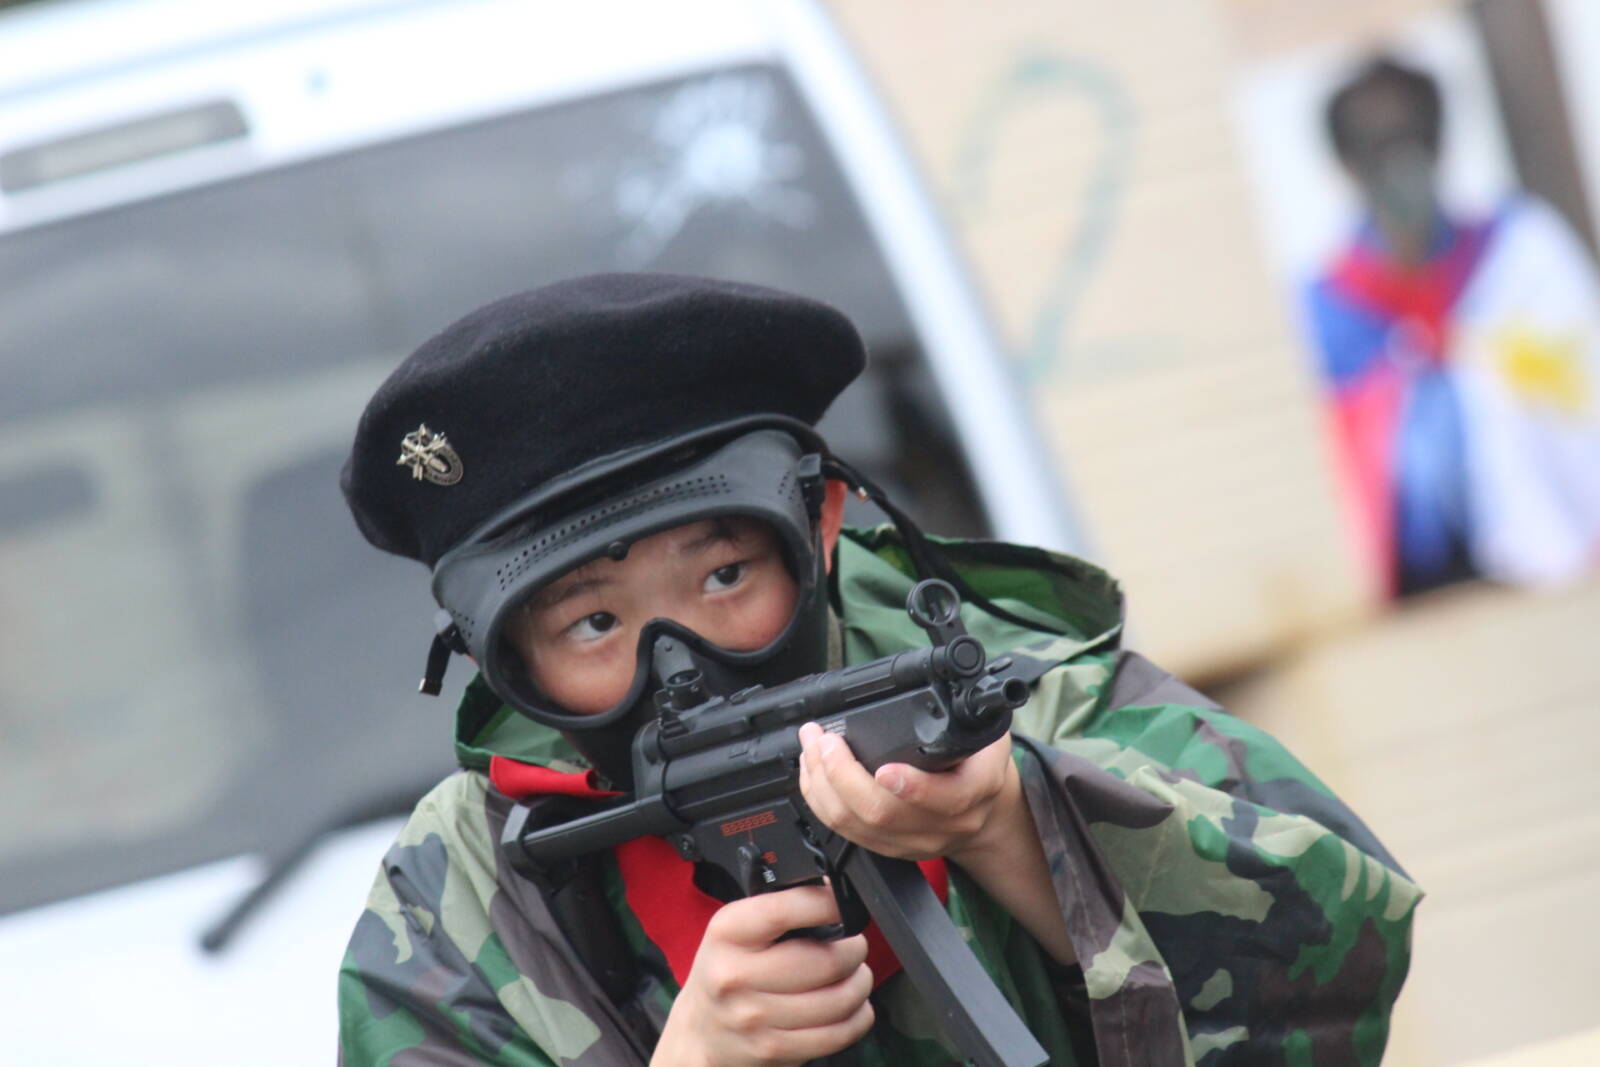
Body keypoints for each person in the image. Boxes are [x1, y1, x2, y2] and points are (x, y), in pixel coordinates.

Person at [337, 273, 1420, 1065]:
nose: (677, 663)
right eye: (590, 624)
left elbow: (1350, 951)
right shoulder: (462, 889)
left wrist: (1020, 826)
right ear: (499, 658)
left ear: (820, 522)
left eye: (723, 574)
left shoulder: (1029, 694)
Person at [1306, 55, 1600, 597]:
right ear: (1346, 165)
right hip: (1417, 587)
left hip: (1548, 560)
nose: (1400, 169)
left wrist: (1477, 359)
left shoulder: (1520, 254)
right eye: (1376, 151)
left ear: (1442, 144)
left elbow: (1584, 389)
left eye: (1414, 141)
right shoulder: (1325, 307)